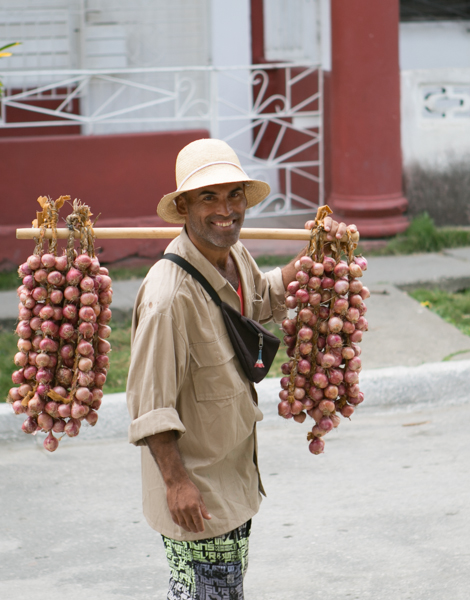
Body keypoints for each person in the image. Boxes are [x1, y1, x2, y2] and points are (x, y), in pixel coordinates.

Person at [126, 138, 351, 600]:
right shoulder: (169, 299)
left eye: (233, 196)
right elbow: (150, 406)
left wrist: (312, 262)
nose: (225, 210)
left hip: (231, 478)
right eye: (208, 197)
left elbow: (260, 298)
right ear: (184, 206)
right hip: (198, 491)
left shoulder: (232, 257)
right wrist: (176, 483)